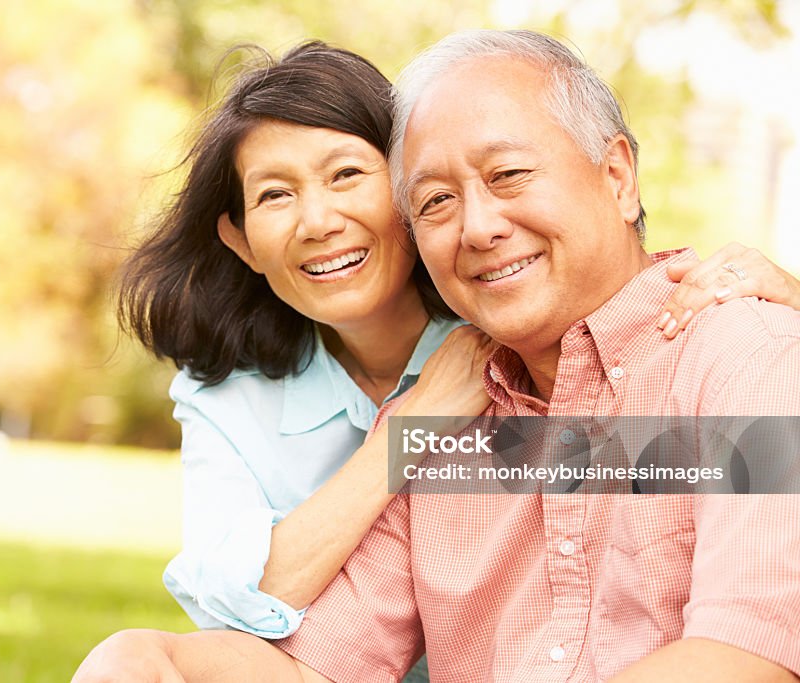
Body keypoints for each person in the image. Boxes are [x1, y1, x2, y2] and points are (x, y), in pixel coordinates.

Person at [74, 33, 800, 683]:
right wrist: (154, 660)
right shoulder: (448, 422)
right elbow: (323, 661)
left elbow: (747, 655)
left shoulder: (745, 361)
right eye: (437, 201)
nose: (479, 226)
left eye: (509, 174)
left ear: (617, 177)